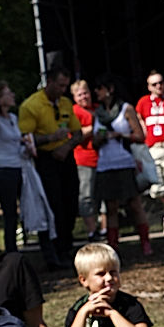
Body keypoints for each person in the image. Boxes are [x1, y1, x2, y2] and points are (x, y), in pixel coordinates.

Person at [18, 66, 82, 265]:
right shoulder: (31, 105)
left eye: (65, 86)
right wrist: (49, 139)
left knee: (71, 201)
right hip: (45, 159)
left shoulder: (65, 103)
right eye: (60, 85)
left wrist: (67, 146)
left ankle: (67, 245)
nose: (63, 90)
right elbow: (25, 139)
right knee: (54, 204)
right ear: (50, 82)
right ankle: (55, 250)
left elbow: (77, 132)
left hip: (65, 156)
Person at [92, 74, 152, 256]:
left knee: (134, 203)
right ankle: (113, 245)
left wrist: (121, 136)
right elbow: (94, 143)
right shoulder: (98, 113)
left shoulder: (126, 109)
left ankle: (145, 242)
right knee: (111, 206)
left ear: (109, 89)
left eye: (99, 88)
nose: (96, 92)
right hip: (105, 164)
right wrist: (99, 139)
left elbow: (140, 136)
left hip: (124, 162)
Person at [134, 69, 164, 234]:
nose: (159, 86)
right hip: (152, 149)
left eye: (161, 83)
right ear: (149, 87)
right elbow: (137, 119)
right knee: (157, 187)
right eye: (154, 84)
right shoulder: (143, 102)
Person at [0, 81, 25, 252]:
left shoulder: (14, 119)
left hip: (19, 166)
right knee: (10, 214)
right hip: (5, 169)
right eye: (8, 93)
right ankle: (11, 249)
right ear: (0, 99)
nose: (13, 96)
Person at [70, 79, 102, 241]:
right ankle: (91, 231)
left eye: (86, 93)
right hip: (84, 159)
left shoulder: (98, 109)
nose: (84, 97)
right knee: (86, 196)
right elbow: (73, 136)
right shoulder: (73, 112)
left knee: (102, 195)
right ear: (74, 97)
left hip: (102, 159)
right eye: (79, 94)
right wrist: (93, 127)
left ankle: (104, 228)